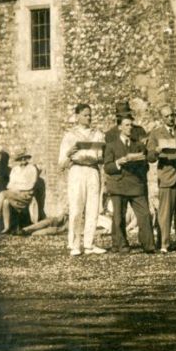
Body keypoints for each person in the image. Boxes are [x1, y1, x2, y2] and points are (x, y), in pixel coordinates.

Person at [58, 103, 106, 256]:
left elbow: (102, 157)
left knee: (93, 208)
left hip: (92, 170)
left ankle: (89, 244)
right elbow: (61, 163)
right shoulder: (70, 135)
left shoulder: (98, 134)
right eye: (85, 115)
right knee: (76, 208)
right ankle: (74, 244)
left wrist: (100, 155)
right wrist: (69, 153)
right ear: (77, 116)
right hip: (76, 171)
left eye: (90, 114)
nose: (88, 117)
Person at [104, 113, 154, 253]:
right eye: (126, 125)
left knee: (144, 215)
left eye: (131, 125)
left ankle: (148, 245)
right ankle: (121, 245)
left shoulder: (138, 145)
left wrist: (139, 162)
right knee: (119, 217)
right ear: (120, 127)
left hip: (136, 184)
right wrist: (119, 162)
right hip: (118, 184)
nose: (130, 128)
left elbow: (146, 166)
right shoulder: (111, 146)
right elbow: (107, 167)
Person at [147, 105, 176, 252]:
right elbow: (150, 157)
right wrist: (156, 151)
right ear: (162, 118)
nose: (170, 118)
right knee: (165, 212)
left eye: (172, 115)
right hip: (166, 175)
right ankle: (164, 243)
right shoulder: (155, 133)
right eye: (166, 116)